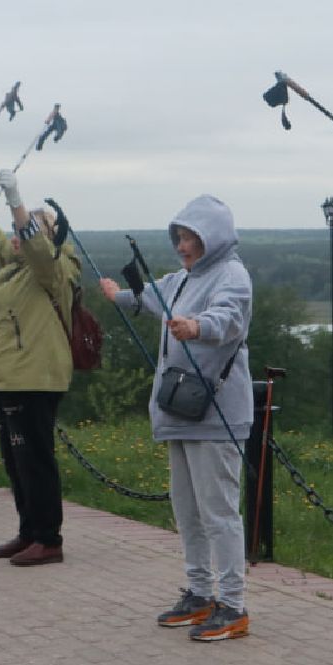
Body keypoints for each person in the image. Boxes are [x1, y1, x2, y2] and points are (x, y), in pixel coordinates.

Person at [100, 194, 253, 641]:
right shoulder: (183, 278)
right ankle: (200, 593)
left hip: (216, 412)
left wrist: (196, 327)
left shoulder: (232, 275)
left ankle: (233, 604)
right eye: (180, 237)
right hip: (179, 410)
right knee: (187, 511)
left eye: (192, 238)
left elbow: (228, 319)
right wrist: (119, 296)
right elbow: (151, 297)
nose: (183, 246)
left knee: (219, 512)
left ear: (215, 238)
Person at [0, 168, 81, 567]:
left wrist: (16, 200)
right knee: (16, 460)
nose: (19, 231)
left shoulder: (55, 269)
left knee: (35, 459)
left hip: (35, 377)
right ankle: (29, 531)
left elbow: (41, 251)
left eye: (28, 227)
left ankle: (49, 538)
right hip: (9, 376)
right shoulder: (15, 267)